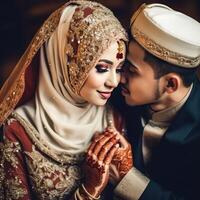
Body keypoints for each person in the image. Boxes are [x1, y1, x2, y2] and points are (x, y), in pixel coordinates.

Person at [0, 0, 128, 199]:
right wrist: (88, 192)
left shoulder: (112, 119)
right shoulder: (17, 130)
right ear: (66, 61)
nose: (114, 81)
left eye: (119, 69)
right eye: (102, 68)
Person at [84, 3, 200, 200]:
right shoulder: (115, 94)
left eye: (131, 70)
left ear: (170, 85)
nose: (119, 79)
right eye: (122, 67)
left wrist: (130, 181)